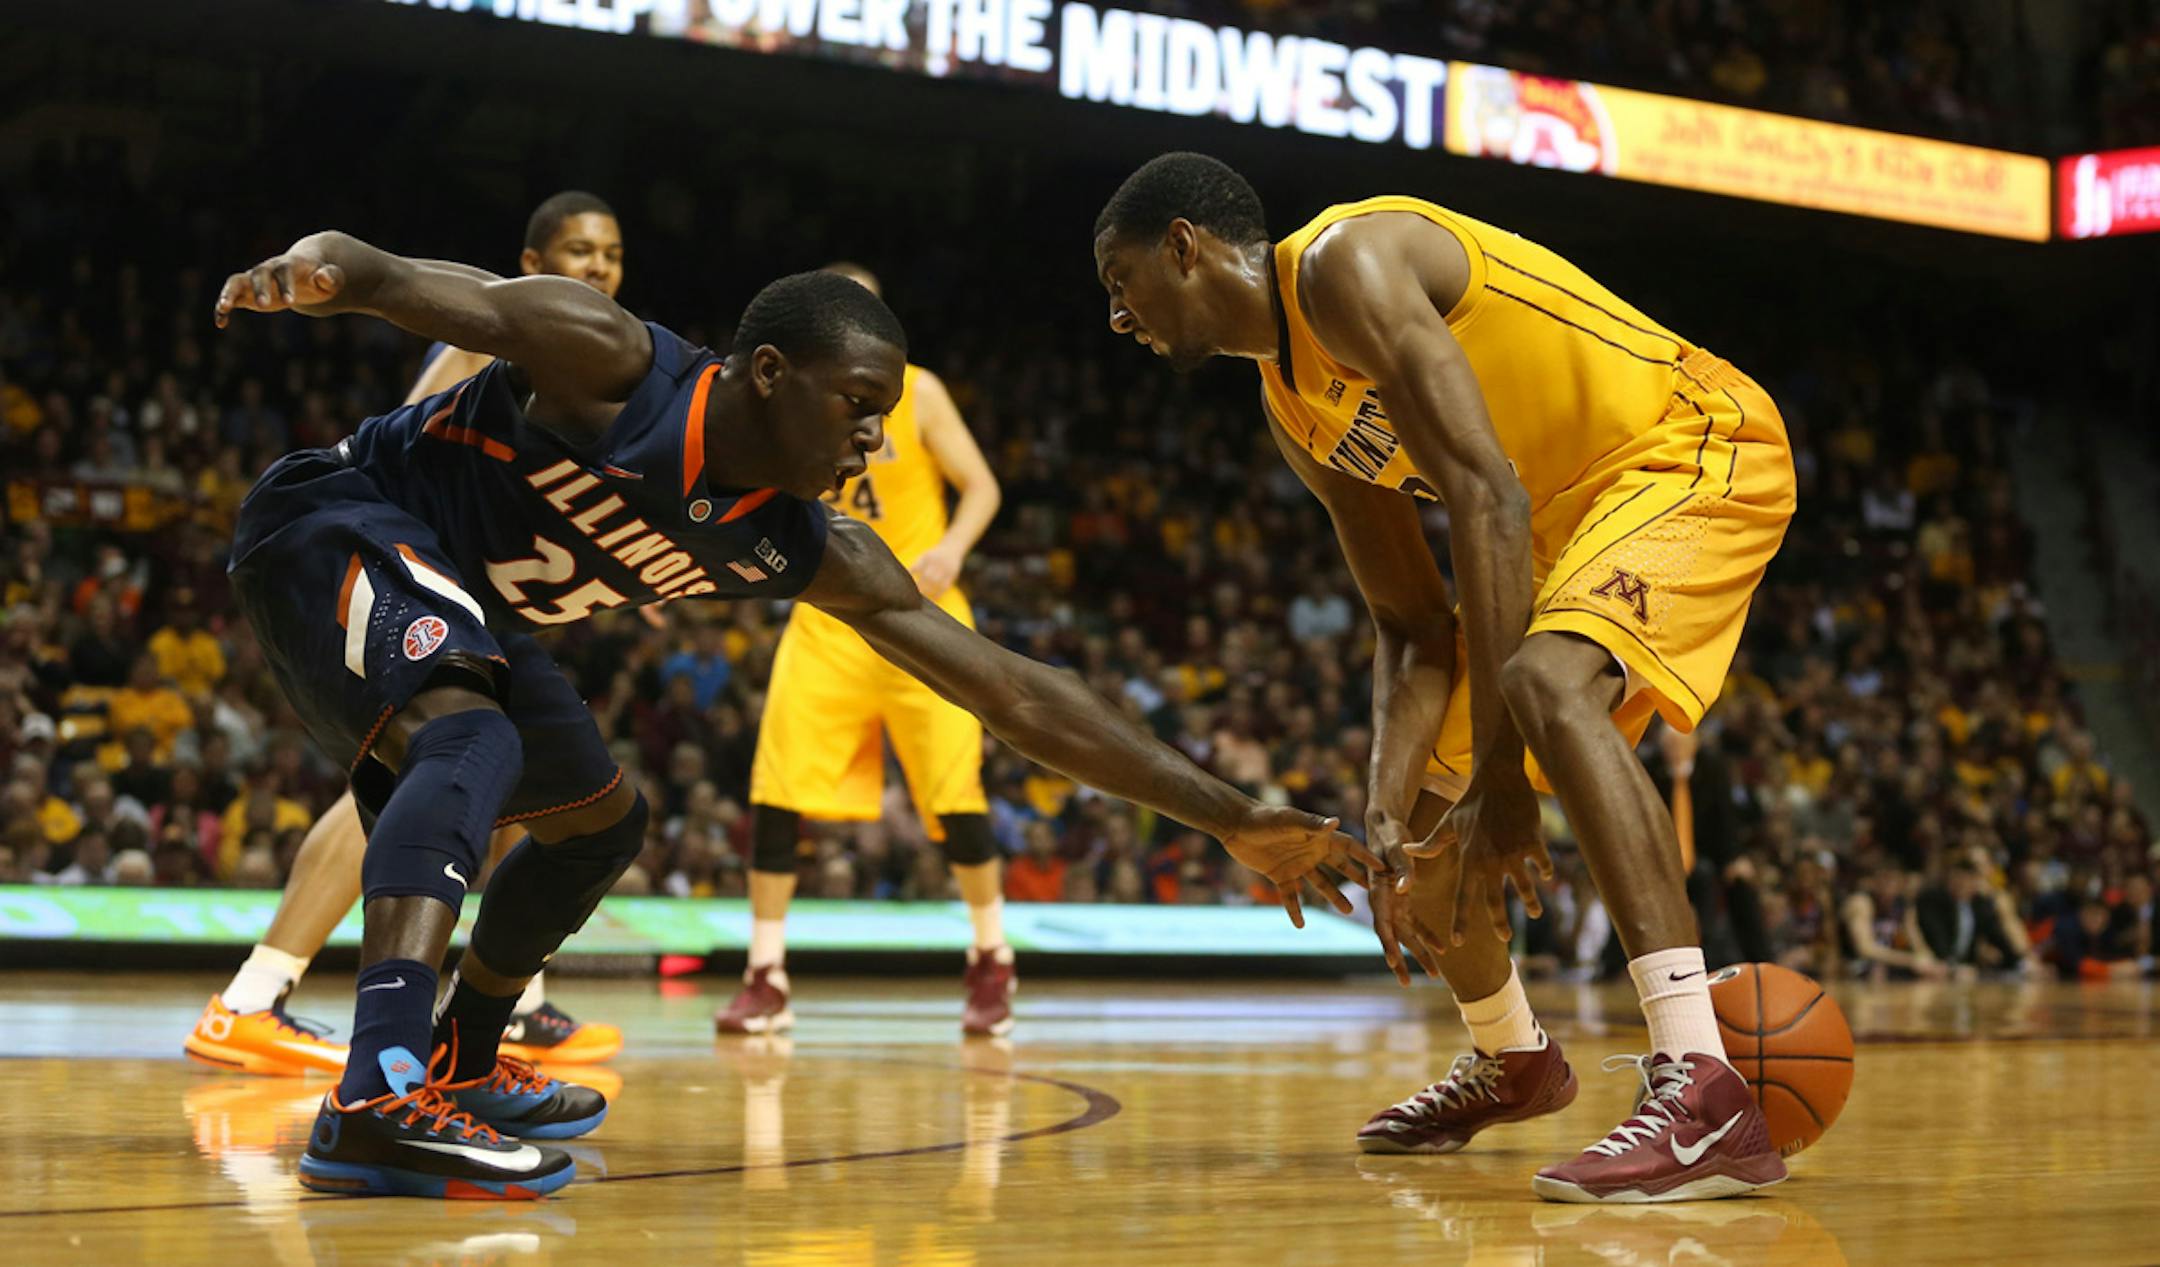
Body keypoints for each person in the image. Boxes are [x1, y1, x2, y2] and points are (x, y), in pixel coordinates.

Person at [214, 228, 1370, 1199]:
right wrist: (323, 270)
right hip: (336, 520)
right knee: (475, 736)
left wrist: (1226, 815)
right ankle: (376, 1090)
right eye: (859, 406)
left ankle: (461, 1063)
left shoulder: (808, 540)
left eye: (886, 417)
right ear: (769, 372)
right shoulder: (616, 361)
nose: (873, 440)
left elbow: (1014, 691)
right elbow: (432, 288)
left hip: (476, 605)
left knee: (601, 821)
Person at [1092, 153, 1797, 1204]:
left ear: (1184, 246)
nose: (1118, 317)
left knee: (1546, 690)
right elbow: (1412, 623)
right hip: (1554, 528)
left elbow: (1487, 497)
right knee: (1422, 846)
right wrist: (1385, 807)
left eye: (1122, 283)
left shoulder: (1344, 263)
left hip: (1683, 448)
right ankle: (1513, 1054)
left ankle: (1703, 1087)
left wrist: (1500, 784)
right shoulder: (1294, 412)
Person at [185, 193, 629, 1077]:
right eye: (579, 251)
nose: (599, 269)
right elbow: (402, 460)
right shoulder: (489, 331)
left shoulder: (591, 362)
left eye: (612, 254)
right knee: (426, 773)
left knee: (507, 783)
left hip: (481, 595)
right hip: (408, 573)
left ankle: (517, 1006)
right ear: (532, 265)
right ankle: (251, 998)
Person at [721, 264, 1011, 1038]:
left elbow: (981, 486)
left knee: (956, 799)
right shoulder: (793, 398)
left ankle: (992, 957)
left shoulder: (921, 391)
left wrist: (951, 547)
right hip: (828, 618)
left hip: (922, 613)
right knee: (776, 791)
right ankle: (766, 972)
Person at [1915, 860, 2029, 977]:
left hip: (1966, 971)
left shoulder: (1979, 904)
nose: (1962, 884)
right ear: (1949, 879)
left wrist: (2022, 964)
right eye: (1957, 878)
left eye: (1967, 879)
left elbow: (1997, 936)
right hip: (1937, 968)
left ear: (1975, 882)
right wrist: (1953, 967)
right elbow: (1938, 938)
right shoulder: (1933, 900)